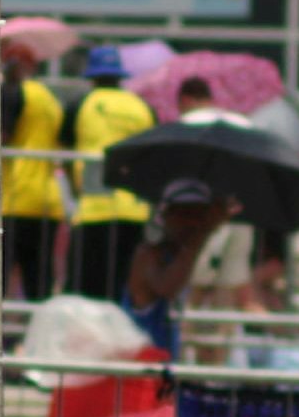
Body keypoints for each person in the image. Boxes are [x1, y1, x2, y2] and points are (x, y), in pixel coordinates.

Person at [63, 47, 157, 308]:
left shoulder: (83, 104)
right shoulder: (142, 107)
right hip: (133, 210)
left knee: (85, 287)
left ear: (92, 76)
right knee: (121, 286)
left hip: (94, 209)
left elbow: (67, 153)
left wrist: (75, 189)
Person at [120, 180, 231, 355]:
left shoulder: (178, 256)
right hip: (139, 369)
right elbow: (168, 287)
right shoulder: (148, 255)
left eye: (199, 216)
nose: (191, 223)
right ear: (166, 215)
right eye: (184, 214)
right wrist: (201, 236)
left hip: (162, 366)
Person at [0, 45, 67, 304]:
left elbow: (3, 135)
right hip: (47, 201)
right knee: (39, 283)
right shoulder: (50, 99)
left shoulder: (15, 93)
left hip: (15, 196)